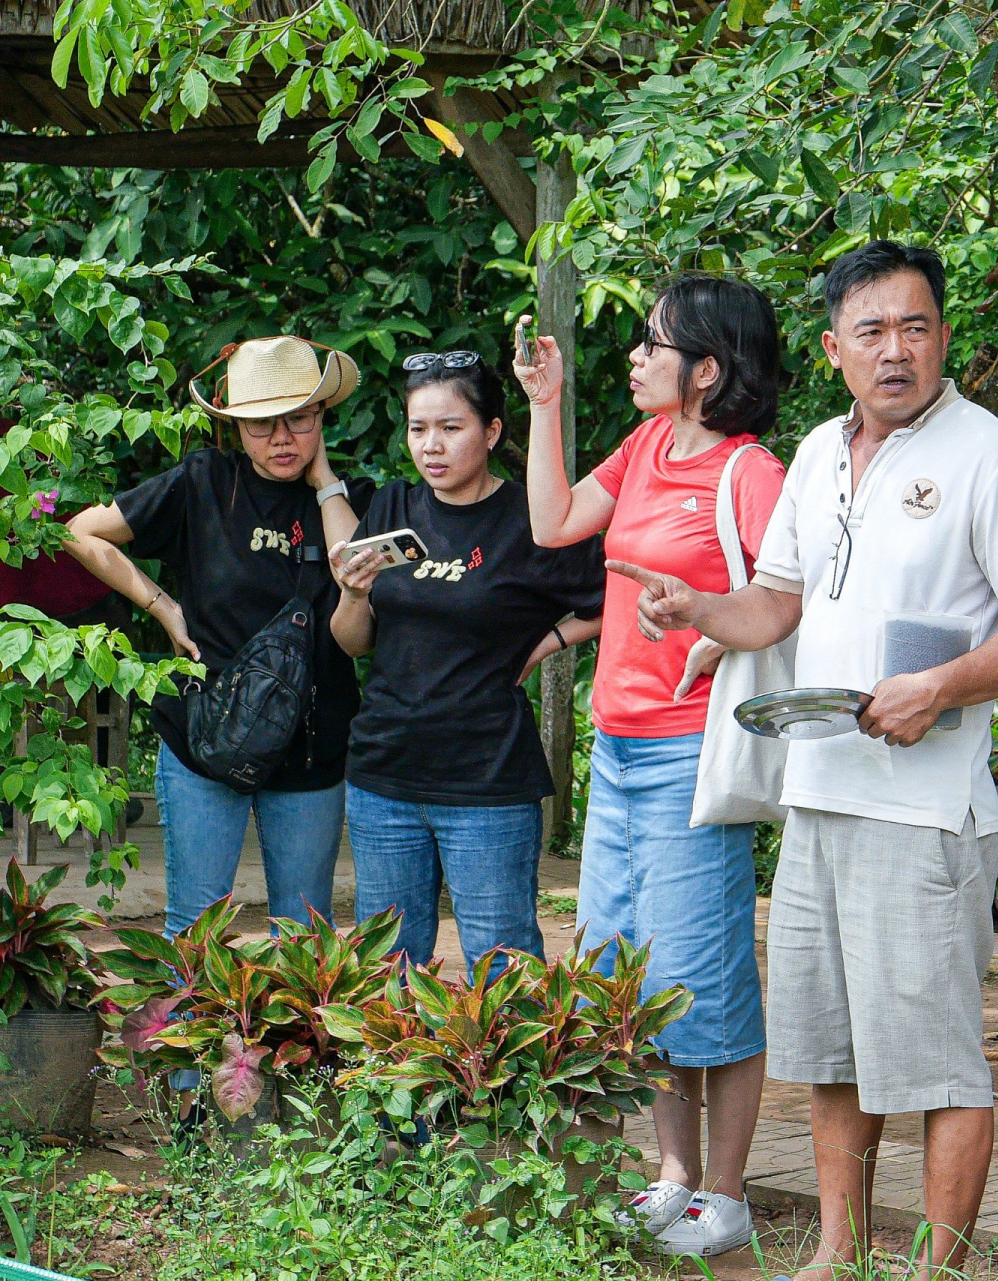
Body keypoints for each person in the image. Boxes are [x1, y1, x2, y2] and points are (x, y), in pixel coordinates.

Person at [606, 241, 998, 1280]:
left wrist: (941, 688)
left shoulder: (991, 458)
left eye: (915, 327)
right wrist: (702, 611)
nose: (895, 350)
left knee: (937, 1070)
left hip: (925, 815)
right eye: (871, 331)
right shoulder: (817, 452)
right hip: (816, 791)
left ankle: (935, 1271)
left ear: (945, 337)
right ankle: (837, 1253)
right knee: (830, 1055)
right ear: (833, 348)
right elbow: (777, 601)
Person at [513, 275, 787, 1259]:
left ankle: (729, 1191)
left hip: (692, 753)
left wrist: (713, 628)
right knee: (632, 975)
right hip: (618, 747)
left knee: (704, 974)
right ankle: (673, 1175)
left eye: (653, 344)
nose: (634, 356)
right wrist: (545, 407)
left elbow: (792, 598)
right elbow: (552, 525)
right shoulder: (643, 447)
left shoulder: (749, 471)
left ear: (706, 370)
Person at [63, 336, 367, 935]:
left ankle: (294, 1036)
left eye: (299, 419)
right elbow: (80, 532)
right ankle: (182, 1031)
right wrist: (162, 605)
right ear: (234, 427)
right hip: (205, 738)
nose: (282, 439)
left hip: (312, 747)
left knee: (305, 932)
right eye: (260, 425)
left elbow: (352, 569)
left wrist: (325, 478)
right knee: (195, 928)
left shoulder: (349, 500)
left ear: (322, 419)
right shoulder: (201, 482)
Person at [329, 354, 604, 970]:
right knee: (384, 970)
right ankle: (393, 1072)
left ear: (494, 431)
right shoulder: (393, 507)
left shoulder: (531, 520)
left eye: (451, 428)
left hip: (487, 781)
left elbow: (613, 597)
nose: (431, 446)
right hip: (383, 775)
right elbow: (354, 642)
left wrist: (546, 644)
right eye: (418, 428)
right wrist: (352, 592)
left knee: (501, 964)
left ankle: (503, 1074)